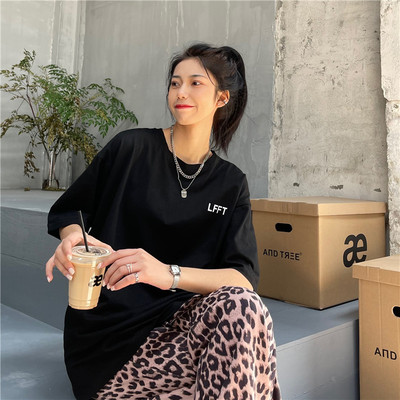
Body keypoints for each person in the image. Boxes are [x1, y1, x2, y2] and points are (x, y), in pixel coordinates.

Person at [46, 43, 281, 400]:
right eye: (175, 83)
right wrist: (73, 238)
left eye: (195, 83)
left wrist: (166, 273)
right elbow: (71, 211)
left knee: (243, 308)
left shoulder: (230, 183)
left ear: (221, 98)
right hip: (110, 335)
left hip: (182, 330)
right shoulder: (130, 148)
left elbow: (242, 279)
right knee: (244, 364)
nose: (181, 92)